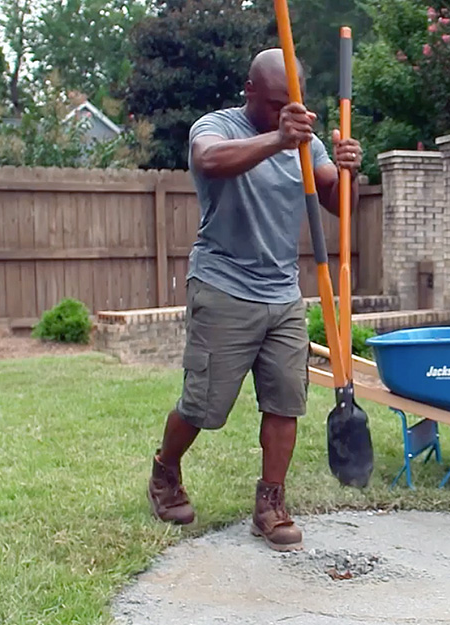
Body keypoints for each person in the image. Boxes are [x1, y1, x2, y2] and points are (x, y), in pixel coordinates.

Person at [146, 47, 363, 552]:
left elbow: (336, 203)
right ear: (249, 93)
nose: (284, 111)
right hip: (222, 287)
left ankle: (270, 502)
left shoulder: (306, 142)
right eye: (272, 103)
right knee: (202, 407)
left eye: (292, 103)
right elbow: (210, 161)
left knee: (285, 402)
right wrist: (276, 139)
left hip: (283, 293)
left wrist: (353, 171)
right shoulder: (217, 127)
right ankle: (165, 471)